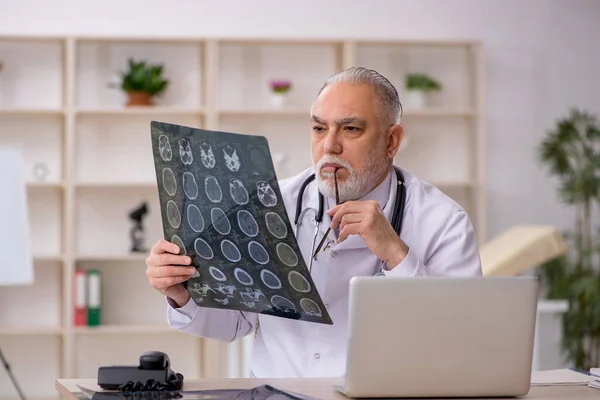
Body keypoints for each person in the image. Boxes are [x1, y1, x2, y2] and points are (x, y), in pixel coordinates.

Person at [145, 66, 482, 378]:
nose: (329, 146)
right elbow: (235, 322)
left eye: (351, 129)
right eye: (320, 128)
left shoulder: (442, 221)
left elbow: (460, 342)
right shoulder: (269, 202)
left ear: (392, 141)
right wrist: (181, 294)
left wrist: (396, 253)